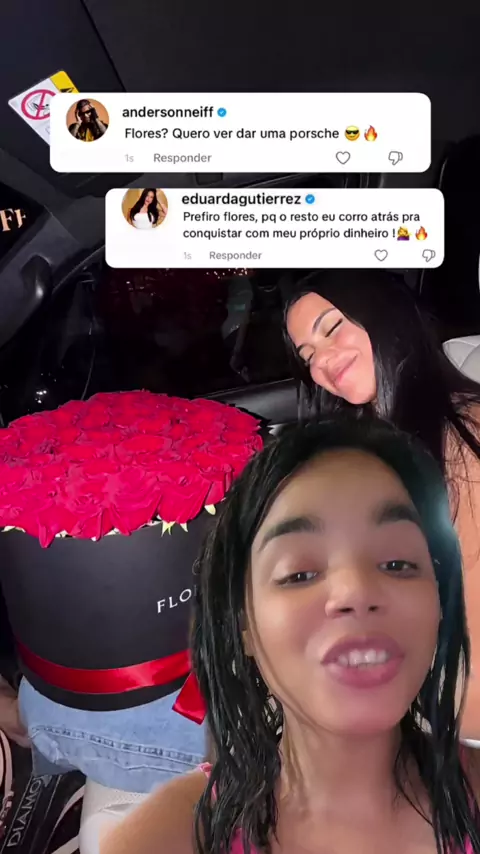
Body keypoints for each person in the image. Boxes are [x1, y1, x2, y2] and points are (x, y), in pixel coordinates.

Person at [102, 418, 480, 854]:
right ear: (243, 625)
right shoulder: (171, 837)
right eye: (299, 573)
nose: (356, 592)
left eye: (398, 564)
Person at [283, 270, 480, 743]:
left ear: (386, 315)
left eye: (332, 328)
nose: (321, 361)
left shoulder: (466, 431)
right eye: (307, 355)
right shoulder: (368, 443)